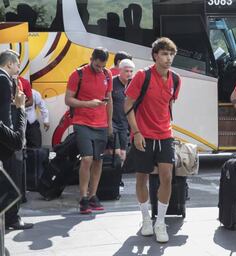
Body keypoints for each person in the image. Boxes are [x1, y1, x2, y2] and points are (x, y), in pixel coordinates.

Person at [124, 37, 181, 243]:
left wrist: (170, 127)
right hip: (143, 135)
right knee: (142, 178)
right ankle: (146, 218)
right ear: (155, 55)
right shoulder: (142, 76)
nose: (168, 58)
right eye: (164, 54)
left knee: (167, 177)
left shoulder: (176, 79)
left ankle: (160, 222)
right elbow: (127, 106)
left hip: (165, 134)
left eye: (171, 54)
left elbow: (168, 105)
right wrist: (136, 132)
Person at [65, 47, 113, 214]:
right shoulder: (77, 74)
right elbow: (68, 99)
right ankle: (83, 197)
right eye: (97, 65)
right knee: (87, 159)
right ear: (91, 58)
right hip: (82, 122)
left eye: (103, 66)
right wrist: (88, 103)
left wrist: (110, 125)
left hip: (101, 124)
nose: (100, 69)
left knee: (98, 160)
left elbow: (110, 100)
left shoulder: (107, 75)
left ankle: (93, 196)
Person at [0, 49, 33, 230]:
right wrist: (20, 107)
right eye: (18, 63)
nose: (19, 67)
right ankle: (12, 217)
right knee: (12, 179)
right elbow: (5, 116)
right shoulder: (4, 79)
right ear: (9, 64)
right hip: (7, 142)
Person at [110, 58, 135, 191]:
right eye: (126, 71)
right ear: (120, 71)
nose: (129, 74)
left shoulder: (133, 84)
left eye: (131, 71)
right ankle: (113, 179)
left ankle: (118, 179)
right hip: (113, 123)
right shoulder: (112, 82)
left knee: (123, 155)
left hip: (125, 124)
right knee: (117, 152)